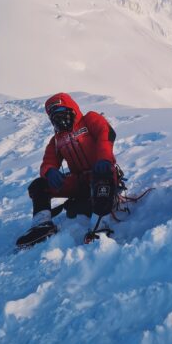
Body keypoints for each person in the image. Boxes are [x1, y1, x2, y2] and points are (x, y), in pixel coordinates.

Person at [16, 92, 117, 249]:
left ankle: (100, 227)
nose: (60, 120)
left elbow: (106, 133)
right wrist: (49, 172)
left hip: (102, 173)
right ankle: (42, 225)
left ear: (72, 109)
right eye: (55, 117)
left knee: (102, 177)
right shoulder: (56, 140)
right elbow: (48, 162)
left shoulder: (90, 120)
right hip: (80, 182)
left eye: (62, 114)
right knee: (38, 185)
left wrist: (104, 158)